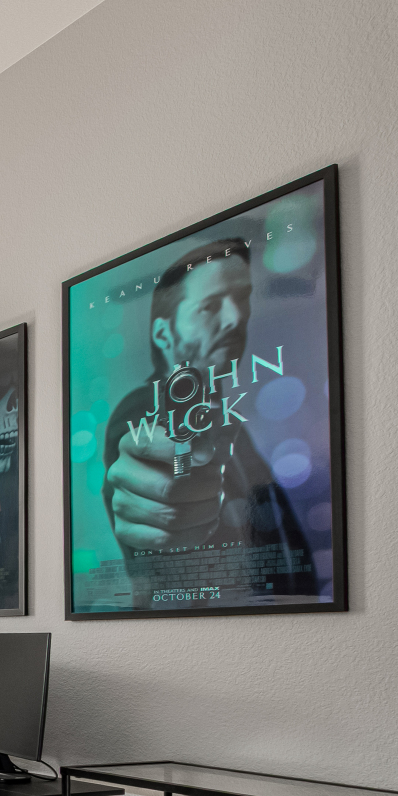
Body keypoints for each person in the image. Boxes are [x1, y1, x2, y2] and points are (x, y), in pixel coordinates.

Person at [99, 238, 315, 606]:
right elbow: (144, 466)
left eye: (241, 298)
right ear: (164, 334)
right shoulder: (144, 410)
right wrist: (159, 501)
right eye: (209, 306)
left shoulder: (230, 427)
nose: (235, 318)